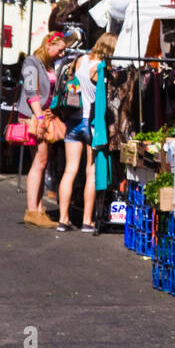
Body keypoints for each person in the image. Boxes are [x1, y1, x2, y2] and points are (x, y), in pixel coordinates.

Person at [56, 33, 116, 233]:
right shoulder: (102, 68)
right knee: (90, 172)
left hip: (73, 120)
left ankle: (63, 219)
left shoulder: (80, 60)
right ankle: (87, 220)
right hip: (92, 123)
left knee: (70, 170)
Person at [18, 32, 66, 228]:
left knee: (41, 161)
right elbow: (31, 91)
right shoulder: (31, 62)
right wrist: (39, 118)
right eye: (59, 49)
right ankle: (32, 210)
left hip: (42, 114)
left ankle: (38, 208)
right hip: (33, 116)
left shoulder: (48, 65)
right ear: (49, 44)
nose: (61, 54)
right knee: (40, 160)